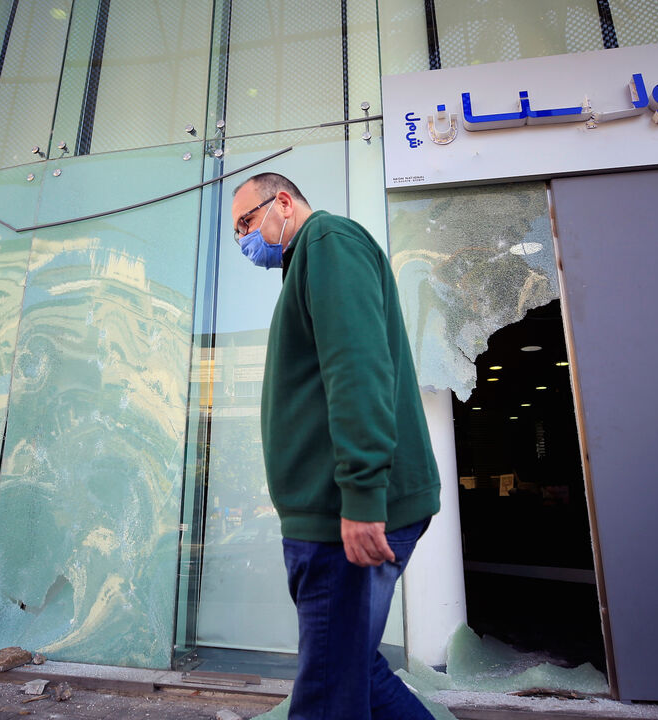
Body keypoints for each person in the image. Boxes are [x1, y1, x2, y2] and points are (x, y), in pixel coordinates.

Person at [231, 173, 441, 719]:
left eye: (246, 223)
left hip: (340, 520)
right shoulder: (309, 260)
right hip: (330, 516)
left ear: (282, 202)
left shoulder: (328, 243)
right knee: (353, 672)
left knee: (326, 695)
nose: (243, 240)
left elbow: (357, 371)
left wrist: (362, 497)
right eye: (237, 233)